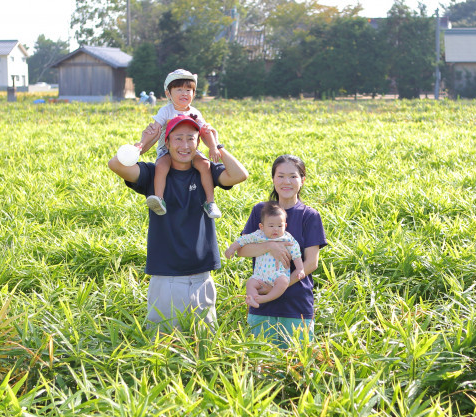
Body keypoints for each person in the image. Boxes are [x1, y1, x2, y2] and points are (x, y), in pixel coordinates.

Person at [109, 114, 249, 331]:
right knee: (163, 344)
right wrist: (143, 145)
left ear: (198, 143)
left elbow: (240, 174)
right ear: (166, 142)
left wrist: (215, 144)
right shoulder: (153, 173)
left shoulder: (206, 171)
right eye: (178, 138)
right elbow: (115, 164)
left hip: (202, 275)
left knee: (203, 343)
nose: (185, 145)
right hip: (166, 276)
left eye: (191, 139)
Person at [236, 155, 326, 348]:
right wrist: (270, 246)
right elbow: (242, 250)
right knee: (261, 367)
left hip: (296, 305)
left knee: (296, 366)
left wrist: (277, 289)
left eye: (293, 176)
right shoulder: (260, 210)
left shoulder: (309, 216)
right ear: (273, 179)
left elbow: (311, 263)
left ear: (302, 180)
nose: (286, 182)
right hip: (260, 304)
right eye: (281, 176)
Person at [132, 69, 222, 219]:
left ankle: (210, 202)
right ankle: (159, 199)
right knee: (161, 165)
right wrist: (141, 144)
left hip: (190, 150)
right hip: (168, 149)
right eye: (179, 89)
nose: (184, 93)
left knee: (205, 165)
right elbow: (154, 129)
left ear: (194, 93)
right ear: (168, 93)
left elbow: (205, 131)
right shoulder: (166, 111)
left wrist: (213, 146)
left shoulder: (195, 113)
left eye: (188, 90)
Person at [225, 202, 304, 307]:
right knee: (250, 283)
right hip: (260, 275)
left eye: (279, 226)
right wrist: (231, 248)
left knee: (283, 282)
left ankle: (265, 298)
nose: (275, 229)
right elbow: (243, 240)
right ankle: (252, 299)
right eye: (271, 226)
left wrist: (300, 269)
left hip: (278, 274)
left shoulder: (287, 238)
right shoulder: (258, 235)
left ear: (285, 226)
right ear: (262, 226)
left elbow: (296, 253)